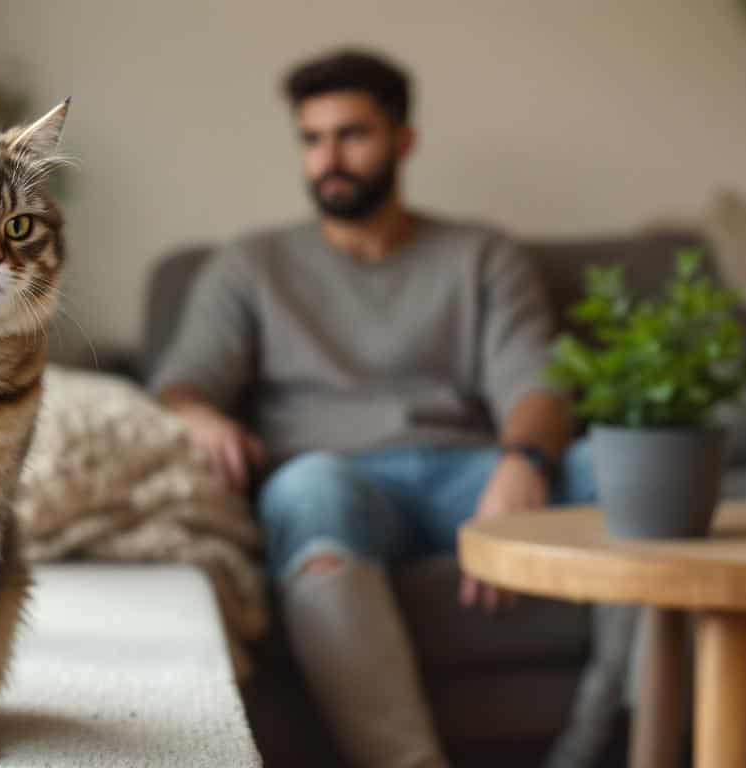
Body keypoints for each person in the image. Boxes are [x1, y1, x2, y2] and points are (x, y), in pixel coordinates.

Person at [150, 49, 595, 767]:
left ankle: (612, 738)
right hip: (337, 482)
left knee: (620, 473)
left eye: (352, 135)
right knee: (305, 488)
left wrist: (525, 463)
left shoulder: (482, 256)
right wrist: (198, 415)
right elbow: (181, 385)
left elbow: (537, 384)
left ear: (403, 140)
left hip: (470, 474)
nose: (329, 159)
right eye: (312, 139)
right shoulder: (249, 266)